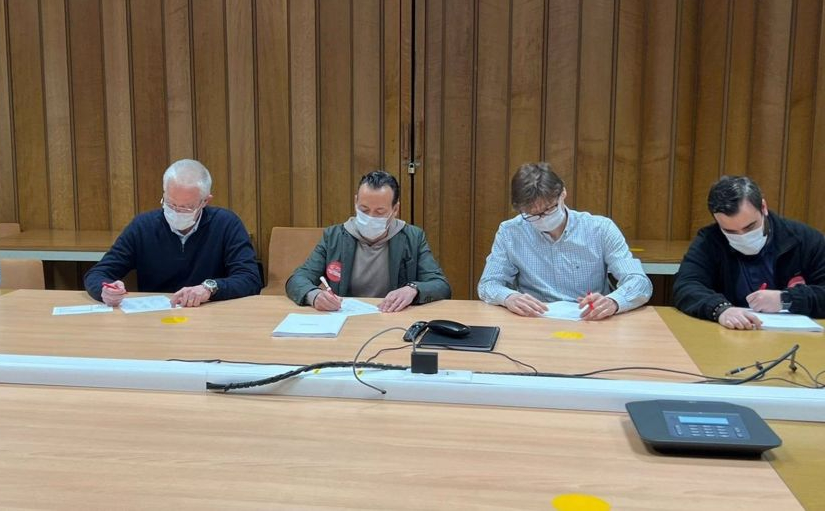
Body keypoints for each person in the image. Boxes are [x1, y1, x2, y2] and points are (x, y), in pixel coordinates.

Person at [477, 162, 651, 319]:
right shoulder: (510, 232)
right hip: (534, 319)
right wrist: (509, 297)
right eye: (532, 214)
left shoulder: (600, 229)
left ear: (563, 194)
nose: (542, 218)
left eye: (548, 209)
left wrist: (613, 301)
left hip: (591, 319)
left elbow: (639, 282)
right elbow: (488, 284)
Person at [85, 159, 261, 307]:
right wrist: (105, 291)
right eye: (170, 203)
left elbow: (250, 278)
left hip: (211, 315)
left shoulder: (226, 224)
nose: (176, 212)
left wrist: (209, 288)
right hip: (156, 316)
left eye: (186, 207)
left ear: (205, 201)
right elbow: (98, 273)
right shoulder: (143, 226)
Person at [673, 176, 825, 330]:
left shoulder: (804, 239)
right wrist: (720, 309)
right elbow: (686, 286)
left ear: (763, 207)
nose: (742, 236)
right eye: (730, 231)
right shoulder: (709, 241)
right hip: (730, 334)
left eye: (750, 227)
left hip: (795, 336)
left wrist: (786, 299)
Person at [286, 171, 450, 312]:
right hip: (345, 319)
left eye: (379, 212)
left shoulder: (413, 237)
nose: (370, 217)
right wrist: (314, 296)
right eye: (364, 210)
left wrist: (413, 289)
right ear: (355, 202)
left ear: (395, 209)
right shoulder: (334, 237)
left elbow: (441, 285)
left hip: (393, 319)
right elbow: (298, 279)